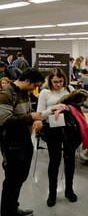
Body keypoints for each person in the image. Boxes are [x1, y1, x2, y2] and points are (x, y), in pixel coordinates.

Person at [0, 68, 44, 216]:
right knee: (12, 181)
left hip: (25, 142)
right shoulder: (6, 95)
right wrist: (30, 117)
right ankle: (7, 212)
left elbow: (27, 114)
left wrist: (35, 120)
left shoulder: (25, 93)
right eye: (35, 85)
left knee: (19, 179)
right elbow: (4, 121)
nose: (35, 88)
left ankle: (13, 208)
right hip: (12, 146)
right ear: (27, 80)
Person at [36, 67, 77, 207]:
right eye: (55, 82)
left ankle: (69, 190)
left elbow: (78, 108)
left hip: (69, 129)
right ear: (50, 81)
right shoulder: (45, 93)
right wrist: (53, 108)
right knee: (54, 161)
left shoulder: (70, 89)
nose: (58, 84)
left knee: (70, 160)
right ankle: (52, 193)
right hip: (52, 130)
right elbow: (39, 114)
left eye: (60, 81)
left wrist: (66, 107)